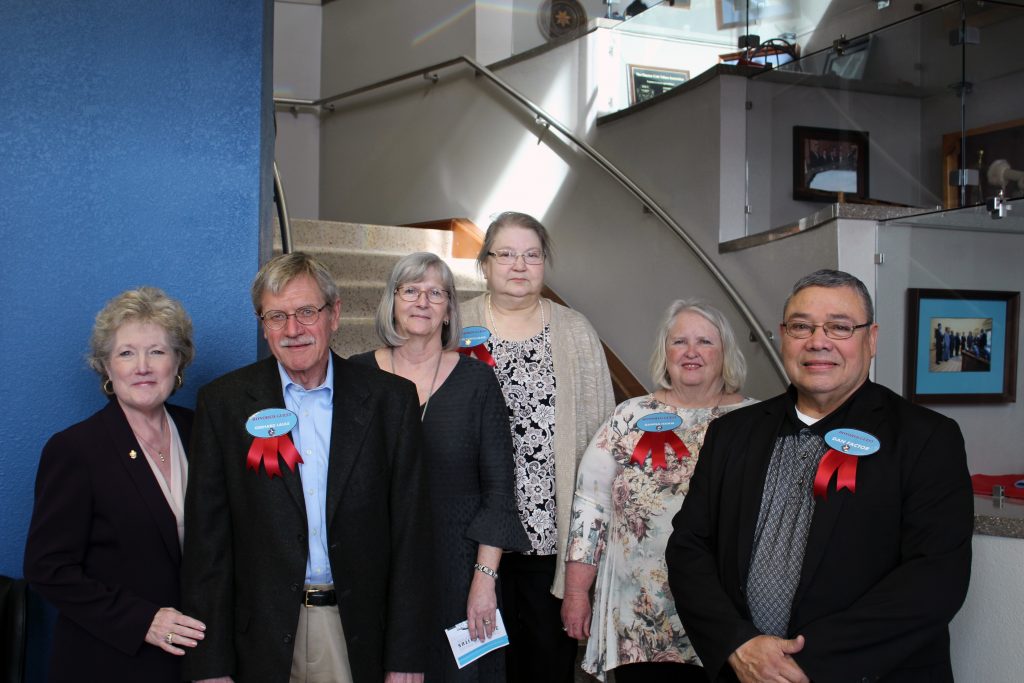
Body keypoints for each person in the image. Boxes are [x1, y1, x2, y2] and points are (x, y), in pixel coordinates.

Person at [666, 269, 973, 683]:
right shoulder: (732, 432)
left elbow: (936, 579)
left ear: (872, 338)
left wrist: (799, 666)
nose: (818, 341)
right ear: (783, 335)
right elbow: (689, 548)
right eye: (801, 326)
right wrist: (738, 644)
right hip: (745, 673)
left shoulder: (927, 438)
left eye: (840, 327)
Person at [181, 252, 431, 683]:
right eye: (276, 316)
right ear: (263, 325)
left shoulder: (391, 401)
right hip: (261, 638)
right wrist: (210, 665)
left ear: (334, 314)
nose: (292, 330)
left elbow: (412, 534)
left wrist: (406, 656)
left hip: (357, 633)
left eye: (306, 312)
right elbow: (209, 546)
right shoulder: (224, 404)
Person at [350, 252, 530, 681]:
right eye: (410, 290)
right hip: (379, 568)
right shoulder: (356, 376)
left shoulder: (477, 381)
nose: (422, 301)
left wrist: (484, 580)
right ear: (392, 301)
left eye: (436, 293)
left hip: (459, 569)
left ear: (449, 308)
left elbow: (500, 491)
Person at [562, 300, 756, 682]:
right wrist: (576, 593)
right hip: (640, 619)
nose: (691, 352)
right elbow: (590, 508)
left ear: (726, 352)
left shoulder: (756, 420)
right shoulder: (628, 417)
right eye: (679, 341)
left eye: (705, 342)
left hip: (729, 620)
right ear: (665, 353)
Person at [460, 211, 615, 682]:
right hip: (469, 537)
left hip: (547, 539)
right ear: (485, 263)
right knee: (475, 669)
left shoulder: (575, 331)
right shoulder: (453, 322)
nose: (518, 265)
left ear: (545, 263)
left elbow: (603, 444)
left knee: (543, 666)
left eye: (531, 255)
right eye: (505, 254)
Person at [24, 287, 204, 682]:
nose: (142, 366)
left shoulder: (200, 432)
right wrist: (144, 621)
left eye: (157, 351)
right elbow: (46, 569)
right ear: (107, 367)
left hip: (193, 663)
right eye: (126, 353)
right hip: (109, 662)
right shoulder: (76, 449)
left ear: (178, 362)